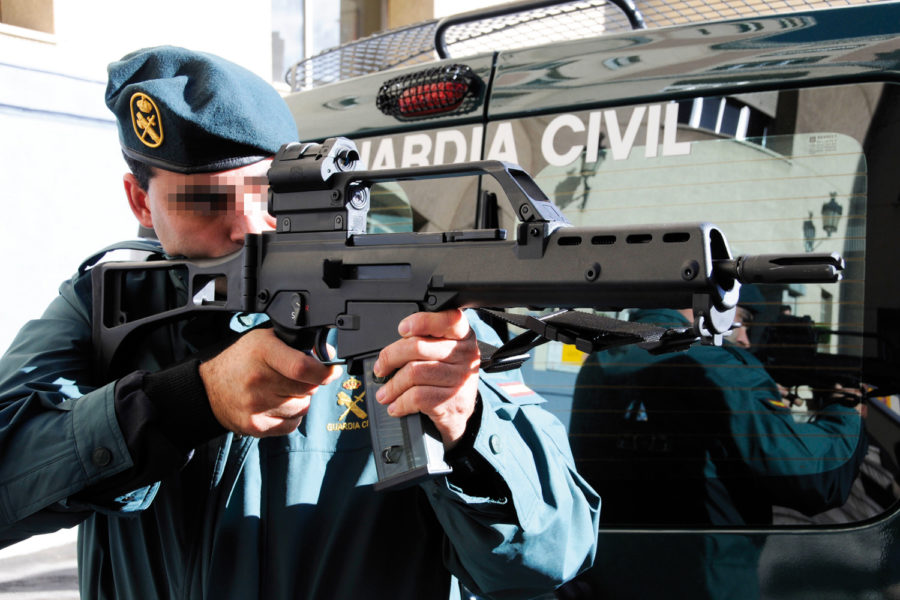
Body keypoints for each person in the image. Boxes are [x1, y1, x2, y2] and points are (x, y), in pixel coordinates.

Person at [0, 46, 599, 599]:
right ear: (140, 202)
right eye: (203, 202)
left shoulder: (412, 299)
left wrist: (467, 426)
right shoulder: (108, 302)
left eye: (267, 193)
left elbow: (551, 554)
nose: (247, 226)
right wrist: (186, 402)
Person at [562, 287, 866, 599]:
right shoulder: (721, 367)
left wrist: (757, 402)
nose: (745, 338)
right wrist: (846, 414)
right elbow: (814, 476)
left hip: (613, 580)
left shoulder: (604, 359)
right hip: (704, 584)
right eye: (742, 320)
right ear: (711, 302)